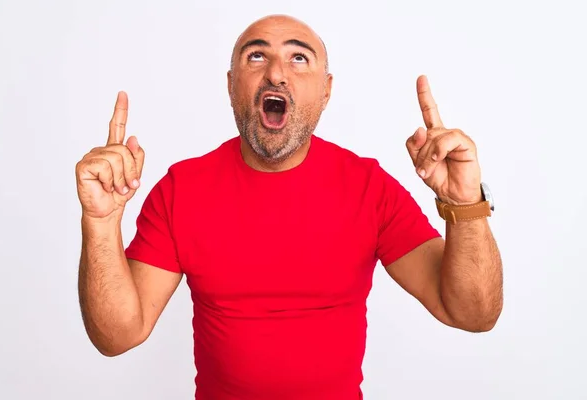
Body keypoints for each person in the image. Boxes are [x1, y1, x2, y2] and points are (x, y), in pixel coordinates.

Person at [75, 14, 503, 400]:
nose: (276, 73)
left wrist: (465, 205)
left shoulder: (369, 188)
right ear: (230, 86)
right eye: (256, 56)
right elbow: (117, 335)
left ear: (327, 90)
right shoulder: (181, 191)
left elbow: (472, 313)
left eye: (299, 58)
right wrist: (100, 222)